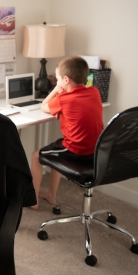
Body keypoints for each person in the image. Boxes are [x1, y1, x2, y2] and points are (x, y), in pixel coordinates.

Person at [30, 56, 103, 209]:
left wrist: (56, 91)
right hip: (97, 152)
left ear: (66, 80)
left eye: (57, 80)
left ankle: (33, 200)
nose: (57, 83)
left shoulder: (64, 99)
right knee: (56, 147)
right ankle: (51, 194)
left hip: (77, 152)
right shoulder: (95, 92)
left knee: (36, 155)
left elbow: (44, 106)